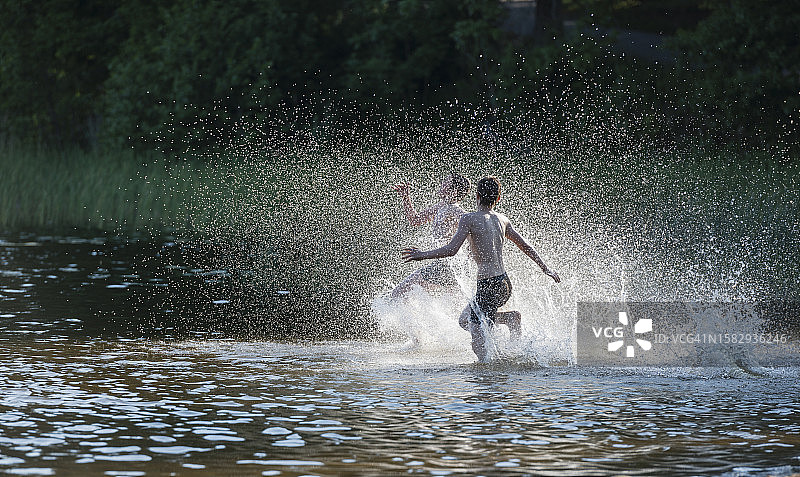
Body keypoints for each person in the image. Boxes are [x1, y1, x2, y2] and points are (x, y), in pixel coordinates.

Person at [401, 176, 560, 361]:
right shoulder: (502, 219)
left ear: (476, 196)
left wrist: (422, 254)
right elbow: (525, 246)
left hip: (488, 285)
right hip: (504, 283)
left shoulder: (469, 219)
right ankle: (510, 321)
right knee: (465, 321)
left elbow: (451, 250)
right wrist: (545, 268)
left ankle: (490, 382)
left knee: (480, 349)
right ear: (498, 199)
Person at [390, 173, 470, 300]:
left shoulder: (457, 211)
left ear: (454, 191)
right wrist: (405, 197)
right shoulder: (441, 206)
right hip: (444, 265)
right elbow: (415, 220)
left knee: (399, 293)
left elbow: (472, 226)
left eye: (445, 183)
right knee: (459, 306)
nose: (441, 184)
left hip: (448, 265)